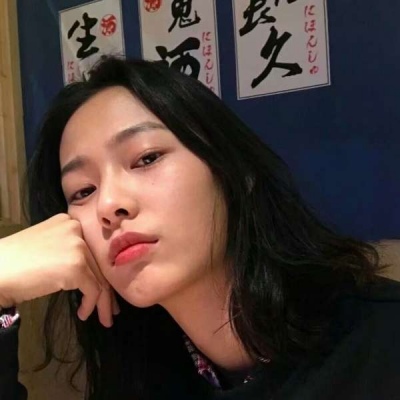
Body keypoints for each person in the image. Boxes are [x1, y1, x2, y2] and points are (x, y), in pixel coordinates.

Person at [0, 56, 399, 400]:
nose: (108, 205)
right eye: (83, 191)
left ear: (233, 173)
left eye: (146, 158)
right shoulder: (141, 376)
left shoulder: (378, 344)